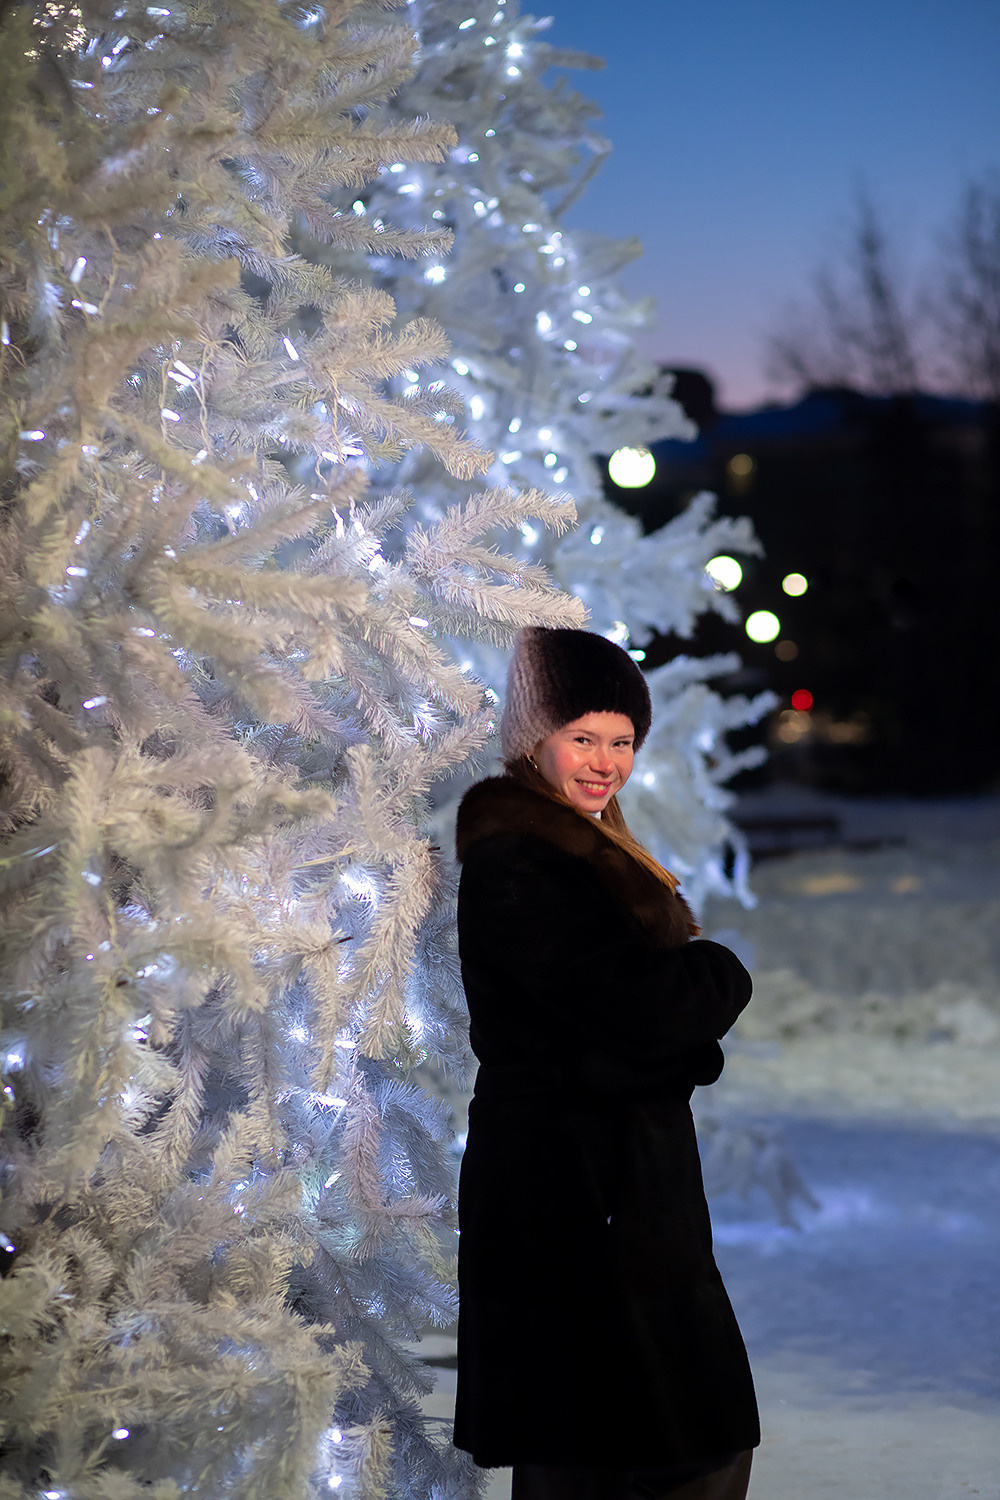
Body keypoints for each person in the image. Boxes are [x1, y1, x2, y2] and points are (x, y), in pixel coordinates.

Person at [453, 627, 759, 1500]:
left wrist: (661, 1047)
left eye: (621, 740)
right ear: (533, 738)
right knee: (643, 1453)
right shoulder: (522, 862)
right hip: (573, 1205)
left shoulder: (585, 852)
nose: (604, 762)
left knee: (635, 1449)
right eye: (582, 737)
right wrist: (717, 974)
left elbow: (630, 1028)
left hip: (611, 1197)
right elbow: (646, 1011)